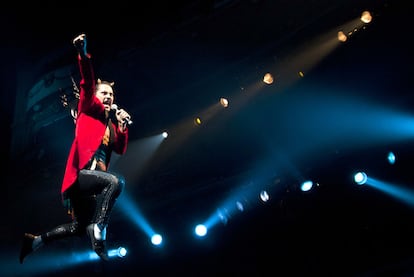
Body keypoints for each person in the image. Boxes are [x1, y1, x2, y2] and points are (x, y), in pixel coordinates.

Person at [19, 33, 131, 263]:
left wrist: (122, 124)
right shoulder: (89, 106)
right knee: (115, 181)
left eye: (111, 94)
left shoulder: (108, 122)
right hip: (80, 175)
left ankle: (36, 241)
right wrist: (82, 52)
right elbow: (87, 80)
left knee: (80, 228)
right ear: (95, 96)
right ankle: (100, 228)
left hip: (92, 181)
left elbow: (120, 148)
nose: (109, 97)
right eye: (105, 93)